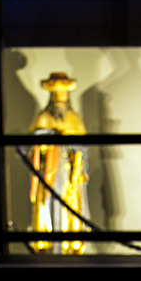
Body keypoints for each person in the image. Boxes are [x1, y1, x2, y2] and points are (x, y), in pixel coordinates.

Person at [28, 72, 88, 253]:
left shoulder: (75, 118)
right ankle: (46, 245)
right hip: (49, 174)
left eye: (63, 95)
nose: (60, 101)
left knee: (71, 208)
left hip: (70, 176)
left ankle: (72, 244)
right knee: (47, 206)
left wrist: (75, 157)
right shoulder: (42, 118)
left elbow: (82, 147)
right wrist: (48, 144)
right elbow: (34, 149)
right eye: (56, 95)